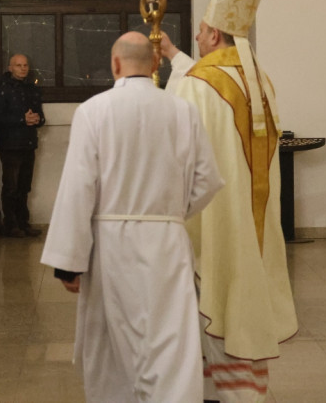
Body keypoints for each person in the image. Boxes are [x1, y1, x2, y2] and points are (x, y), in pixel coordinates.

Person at [41, 32, 222, 402]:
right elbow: (207, 180)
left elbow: (78, 188)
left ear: (115, 63)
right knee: (170, 341)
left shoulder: (93, 111)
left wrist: (68, 263)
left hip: (111, 246)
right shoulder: (182, 111)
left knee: (111, 345)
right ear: (155, 64)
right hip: (167, 242)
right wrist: (171, 214)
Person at [162, 0, 297, 401]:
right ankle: (239, 389)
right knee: (244, 294)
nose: (198, 37)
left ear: (215, 35)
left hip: (212, 221)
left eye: (202, 32)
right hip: (252, 224)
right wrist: (174, 56)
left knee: (213, 296)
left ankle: (219, 392)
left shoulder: (199, 83)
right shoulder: (261, 82)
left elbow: (174, 150)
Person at [0, 53, 45, 237]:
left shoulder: (32, 88)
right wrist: (22, 119)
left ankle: (23, 222)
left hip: (28, 143)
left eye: (25, 65)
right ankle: (11, 224)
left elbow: (40, 115)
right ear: (10, 68)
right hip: (10, 145)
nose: (23, 68)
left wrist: (37, 119)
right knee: (11, 186)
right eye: (18, 65)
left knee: (24, 187)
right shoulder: (1, 89)